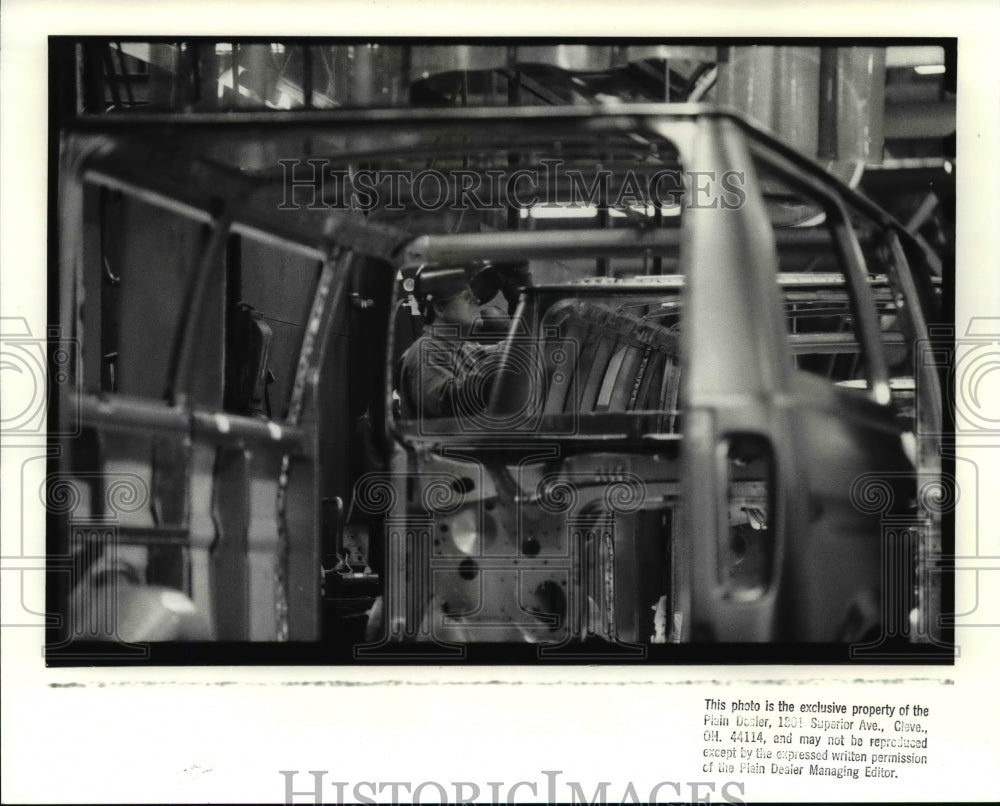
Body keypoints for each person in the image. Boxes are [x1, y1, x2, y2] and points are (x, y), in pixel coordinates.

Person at [397, 264, 505, 421]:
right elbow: (448, 401)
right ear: (440, 308)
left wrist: (522, 296)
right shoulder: (424, 350)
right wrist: (498, 371)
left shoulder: (467, 349)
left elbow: (509, 350)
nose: (477, 300)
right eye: (467, 297)